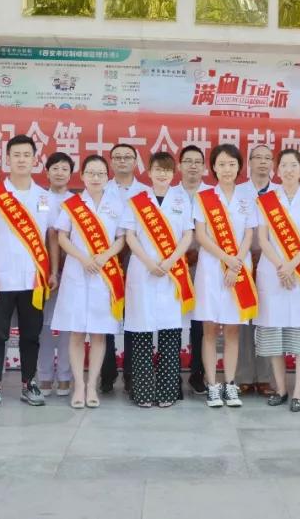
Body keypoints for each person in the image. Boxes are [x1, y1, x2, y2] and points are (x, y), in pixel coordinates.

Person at [0, 135, 56, 410]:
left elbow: (51, 236)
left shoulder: (44, 197)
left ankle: (29, 382)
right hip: (1, 278)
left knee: (31, 335)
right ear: (7, 159)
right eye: (16, 155)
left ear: (35, 160)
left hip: (34, 280)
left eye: (26, 155)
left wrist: (53, 271)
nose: (22, 160)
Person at [51, 154, 126, 409]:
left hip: (104, 272)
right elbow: (62, 237)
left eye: (101, 174)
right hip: (77, 270)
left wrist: (104, 256)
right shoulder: (72, 204)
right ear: (82, 176)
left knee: (98, 333)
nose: (96, 178)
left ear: (107, 177)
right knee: (76, 332)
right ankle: (79, 386)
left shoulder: (117, 204)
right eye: (91, 173)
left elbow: (121, 238)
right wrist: (83, 258)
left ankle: (92, 384)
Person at [255, 149, 300, 412]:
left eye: (293, 165)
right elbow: (262, 239)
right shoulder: (266, 200)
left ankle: (299, 392)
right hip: (273, 272)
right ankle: (281, 388)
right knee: (274, 332)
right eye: (283, 165)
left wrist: (292, 265)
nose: (288, 170)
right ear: (277, 170)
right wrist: (281, 266)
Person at [123, 152, 194, 408]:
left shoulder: (182, 199)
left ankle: (167, 392)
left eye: (167, 170)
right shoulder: (137, 200)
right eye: (157, 169)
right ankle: (143, 392)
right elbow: (130, 236)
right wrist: (149, 262)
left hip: (171, 272)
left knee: (170, 333)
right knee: (141, 333)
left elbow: (187, 235)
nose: (162, 174)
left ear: (173, 173)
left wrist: (170, 261)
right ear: (149, 172)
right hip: (143, 270)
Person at [194, 144, 259, 408]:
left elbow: (249, 234)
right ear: (213, 167)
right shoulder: (204, 197)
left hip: (239, 270)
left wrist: (236, 264)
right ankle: (212, 385)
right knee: (209, 330)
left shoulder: (247, 197)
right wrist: (226, 259)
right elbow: (201, 235)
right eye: (221, 164)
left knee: (233, 330)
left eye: (232, 164)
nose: (227, 169)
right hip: (211, 270)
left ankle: (230, 384)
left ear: (239, 167)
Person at [99, 143, 149, 394]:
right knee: (105, 318)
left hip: (137, 260)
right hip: (106, 260)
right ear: (111, 162)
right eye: (117, 157)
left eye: (127, 157)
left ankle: (132, 374)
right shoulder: (100, 189)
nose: (122, 161)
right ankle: (106, 374)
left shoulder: (146, 192)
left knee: (134, 319)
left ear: (136, 161)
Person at [235, 144, 278, 397]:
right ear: (249, 163)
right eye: (257, 158)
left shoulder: (280, 193)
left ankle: (265, 377)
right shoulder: (238, 191)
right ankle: (243, 376)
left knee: (267, 320)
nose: (263, 162)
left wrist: (267, 254)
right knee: (242, 321)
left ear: (273, 164)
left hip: (271, 263)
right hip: (241, 262)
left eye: (267, 158)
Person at [38, 152, 75, 397]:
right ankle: (43, 376)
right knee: (43, 326)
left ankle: (64, 377)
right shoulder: (39, 198)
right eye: (55, 168)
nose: (60, 173)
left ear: (71, 174)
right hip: (42, 271)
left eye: (64, 169)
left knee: (67, 326)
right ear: (47, 172)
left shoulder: (77, 202)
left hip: (71, 268)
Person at [177, 145, 212, 396]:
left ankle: (198, 373)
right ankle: (171, 374)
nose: (192, 166)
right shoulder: (169, 194)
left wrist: (199, 252)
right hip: (174, 265)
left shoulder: (212, 195)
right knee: (172, 322)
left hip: (205, 264)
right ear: (179, 166)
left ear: (204, 167)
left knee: (201, 322)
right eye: (187, 161)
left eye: (197, 162)